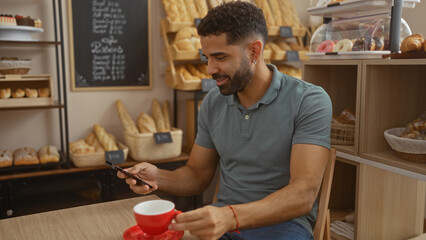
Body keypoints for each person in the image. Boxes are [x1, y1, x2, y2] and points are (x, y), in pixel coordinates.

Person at [118, 1, 332, 240]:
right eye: (207, 57)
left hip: (284, 226)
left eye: (220, 57)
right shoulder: (213, 102)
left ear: (254, 51)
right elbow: (197, 175)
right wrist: (159, 177)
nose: (210, 68)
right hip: (223, 225)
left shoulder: (309, 100)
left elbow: (302, 195)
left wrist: (230, 216)